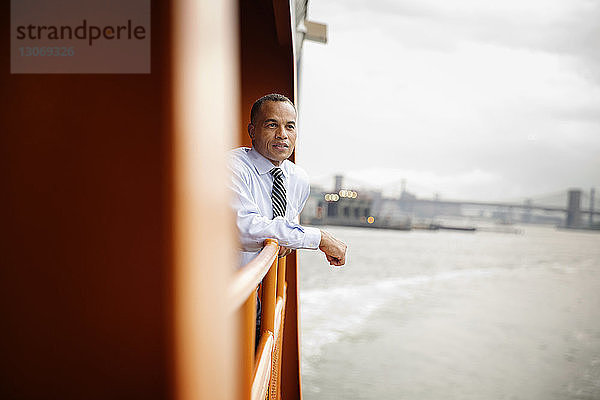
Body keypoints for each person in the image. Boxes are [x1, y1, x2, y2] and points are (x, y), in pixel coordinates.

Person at [229, 93, 347, 267]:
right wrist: (319, 238)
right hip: (226, 288)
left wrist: (286, 239)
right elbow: (245, 229)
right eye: (272, 125)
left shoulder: (298, 179)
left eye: (290, 127)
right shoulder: (231, 167)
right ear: (252, 131)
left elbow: (285, 231)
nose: (282, 134)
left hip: (263, 288)